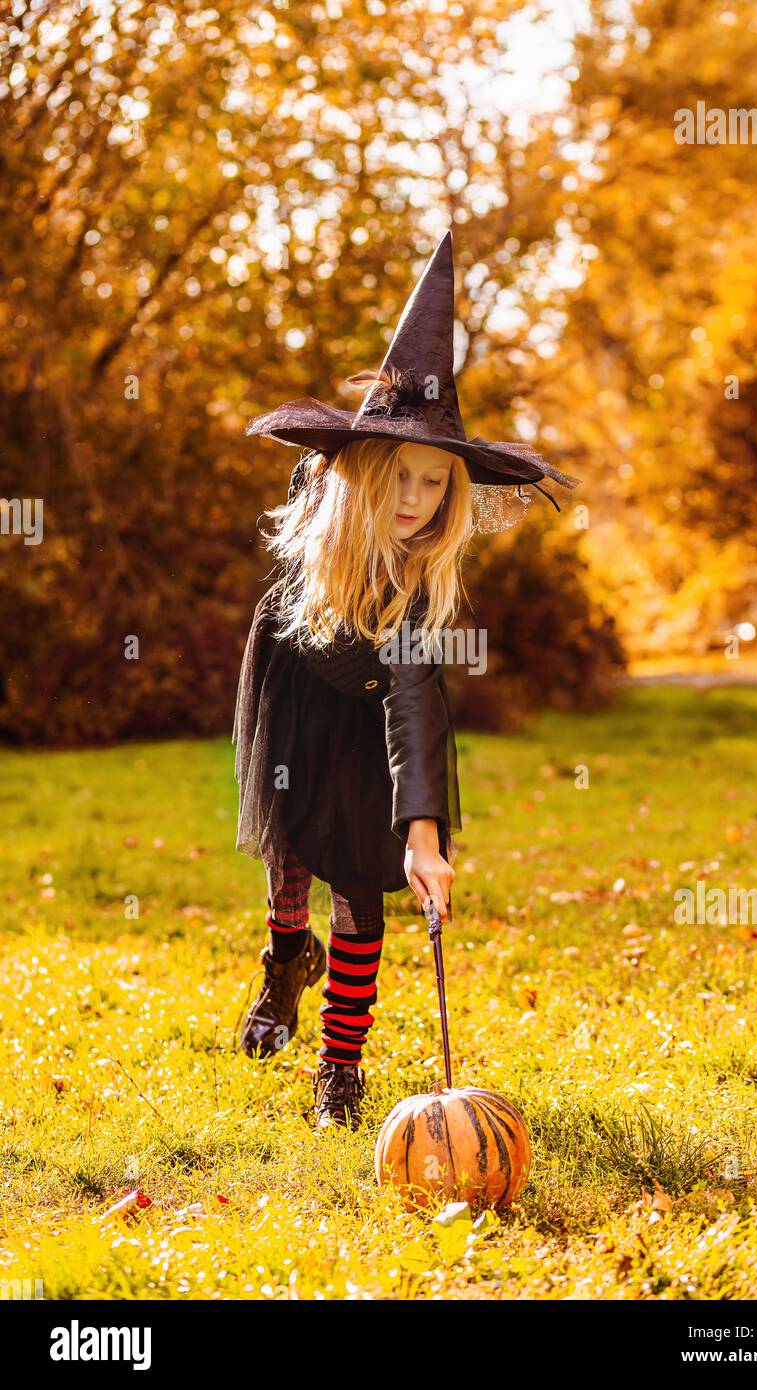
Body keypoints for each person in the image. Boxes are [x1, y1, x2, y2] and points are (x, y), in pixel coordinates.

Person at [231, 230, 577, 1129]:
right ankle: (282, 959)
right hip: (291, 691)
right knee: (288, 852)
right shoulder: (325, 522)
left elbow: (416, 705)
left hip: (367, 720)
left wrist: (422, 837)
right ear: (367, 471)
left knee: (362, 886)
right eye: (402, 475)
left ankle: (338, 1069)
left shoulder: (419, 591)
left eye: (435, 481)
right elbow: (328, 467)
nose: (417, 497)